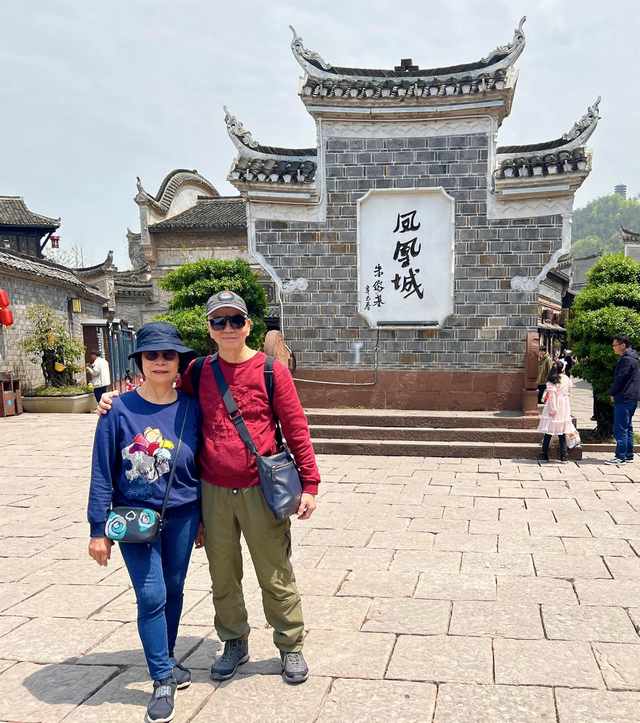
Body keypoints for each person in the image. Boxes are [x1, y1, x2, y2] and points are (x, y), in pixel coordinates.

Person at [98, 291, 320, 686]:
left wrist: (310, 483)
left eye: (235, 320)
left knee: (274, 571)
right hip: (212, 490)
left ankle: (290, 643)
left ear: (248, 325)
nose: (228, 328)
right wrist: (115, 400)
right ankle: (234, 640)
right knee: (223, 574)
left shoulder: (271, 371)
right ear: (210, 329)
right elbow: (160, 394)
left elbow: (296, 427)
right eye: (219, 321)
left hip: (260, 488)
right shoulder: (198, 371)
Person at [87, 322, 202, 723]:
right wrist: (97, 529)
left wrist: (204, 519)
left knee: (174, 588)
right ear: (139, 361)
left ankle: (165, 657)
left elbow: (202, 465)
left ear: (179, 363)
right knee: (151, 595)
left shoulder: (192, 407)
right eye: (152, 355)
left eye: (168, 355)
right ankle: (162, 679)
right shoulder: (117, 410)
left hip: (183, 514)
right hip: (134, 518)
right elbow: (102, 471)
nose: (160, 362)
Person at [606, 334, 640, 465]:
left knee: (620, 428)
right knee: (627, 427)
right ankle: (628, 454)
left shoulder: (626, 360)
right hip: (631, 397)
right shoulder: (633, 358)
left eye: (615, 345)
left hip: (624, 397)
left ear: (623, 345)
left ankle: (620, 456)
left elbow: (620, 379)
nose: (613, 347)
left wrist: (612, 392)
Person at [537, 360, 576, 463]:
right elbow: (570, 390)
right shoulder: (566, 378)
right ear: (562, 369)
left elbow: (552, 396)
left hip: (554, 405)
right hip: (564, 405)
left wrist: (553, 409)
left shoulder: (552, 380)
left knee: (549, 431)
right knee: (562, 431)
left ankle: (544, 454)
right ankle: (564, 455)